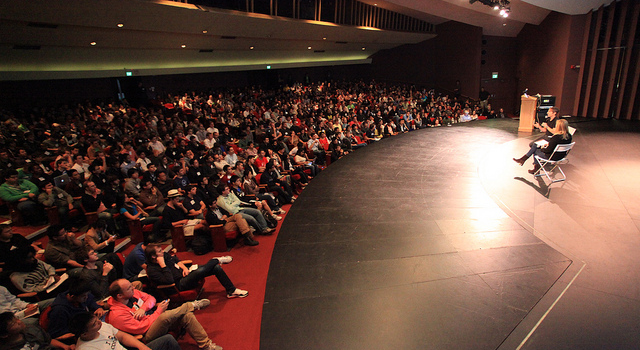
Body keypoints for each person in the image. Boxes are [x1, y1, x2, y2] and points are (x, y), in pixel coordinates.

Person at [106, 279, 221, 350]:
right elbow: (141, 328)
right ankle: (190, 306)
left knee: (186, 316)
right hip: (146, 334)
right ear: (120, 296)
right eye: (129, 288)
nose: (133, 287)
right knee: (164, 317)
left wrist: (144, 308)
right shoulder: (117, 315)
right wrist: (158, 311)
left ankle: (206, 345)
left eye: (131, 285)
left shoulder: (132, 293)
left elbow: (150, 298)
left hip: (153, 319)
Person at [145, 244, 248, 298]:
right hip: (179, 284)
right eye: (159, 252)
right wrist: (163, 266)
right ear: (153, 256)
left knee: (216, 268)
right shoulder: (152, 270)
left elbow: (176, 260)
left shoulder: (164, 255)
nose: (163, 252)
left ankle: (231, 291)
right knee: (202, 270)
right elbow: (169, 280)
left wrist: (184, 268)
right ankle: (216, 260)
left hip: (186, 273)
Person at [69, 311, 181, 350]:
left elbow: (122, 336)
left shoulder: (102, 326)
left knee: (168, 339)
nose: (99, 322)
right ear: (84, 333)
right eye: (94, 324)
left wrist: (142, 346)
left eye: (97, 319)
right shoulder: (86, 348)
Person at [0, 311, 73, 350]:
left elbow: (49, 340)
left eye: (16, 319)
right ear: (4, 335)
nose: (19, 322)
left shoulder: (31, 328)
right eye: (13, 323)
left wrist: (66, 346)